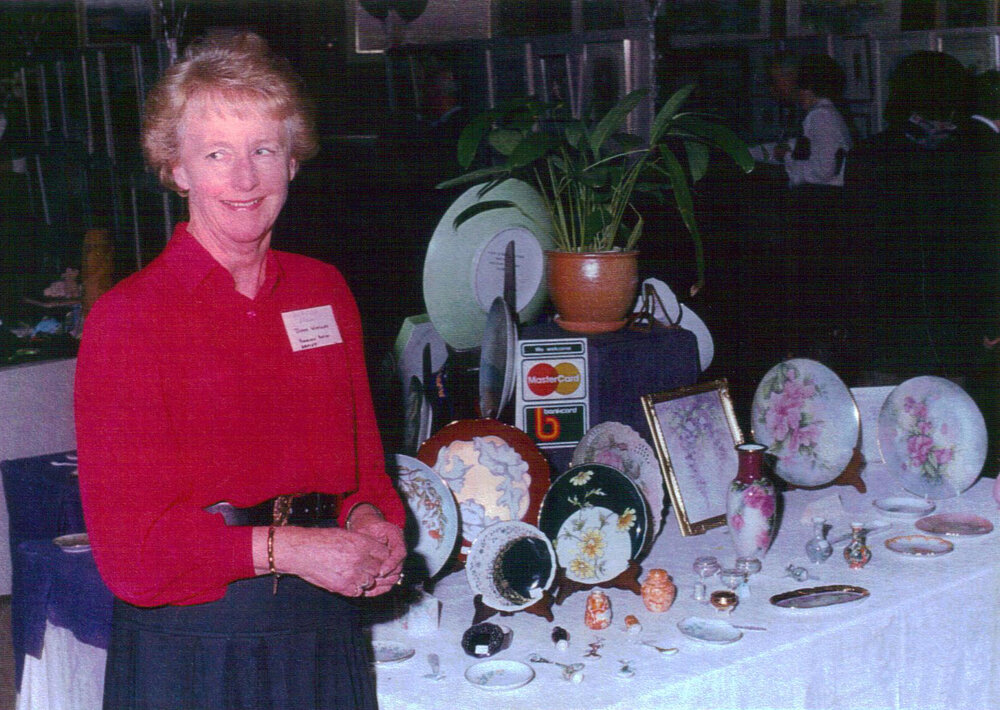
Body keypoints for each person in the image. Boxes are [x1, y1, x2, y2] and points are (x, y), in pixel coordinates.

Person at [74, 30, 406, 709]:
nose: (245, 179)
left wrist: (371, 518)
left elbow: (363, 469)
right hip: (198, 641)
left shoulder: (323, 290)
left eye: (264, 150)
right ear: (177, 168)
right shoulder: (129, 319)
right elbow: (130, 554)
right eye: (217, 154)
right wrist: (294, 550)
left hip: (324, 623)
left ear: (293, 161)